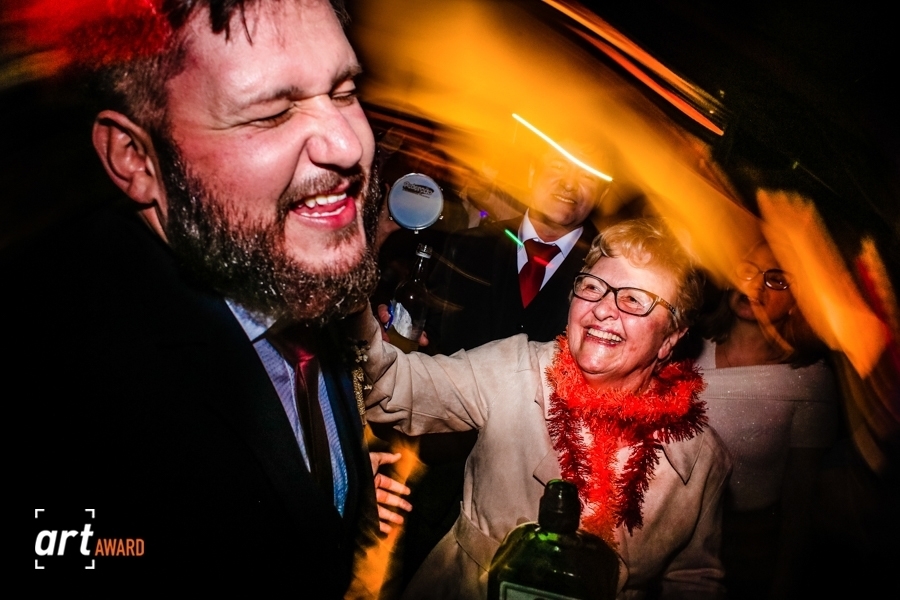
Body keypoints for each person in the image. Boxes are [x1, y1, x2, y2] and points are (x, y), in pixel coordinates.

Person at [9, 0, 403, 585]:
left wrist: (333, 482)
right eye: (272, 113)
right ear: (136, 158)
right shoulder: (64, 371)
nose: (348, 147)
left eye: (344, 92)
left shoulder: (277, 258)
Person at [356, 219, 732, 599]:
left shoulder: (700, 459)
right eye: (592, 287)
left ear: (670, 337)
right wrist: (350, 287)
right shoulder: (512, 369)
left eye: (634, 299)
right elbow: (393, 383)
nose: (603, 309)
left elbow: (694, 580)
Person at [696, 242, 838, 598]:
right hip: (666, 527)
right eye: (748, 270)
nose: (754, 287)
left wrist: (784, 582)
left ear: (798, 300)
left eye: (776, 280)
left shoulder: (807, 378)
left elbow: (800, 497)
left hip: (746, 549)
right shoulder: (685, 347)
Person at [428, 141, 610, 354]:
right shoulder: (466, 247)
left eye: (587, 175)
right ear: (533, 173)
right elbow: (427, 334)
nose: (569, 184)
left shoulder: (606, 275)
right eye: (558, 166)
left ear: (602, 194)